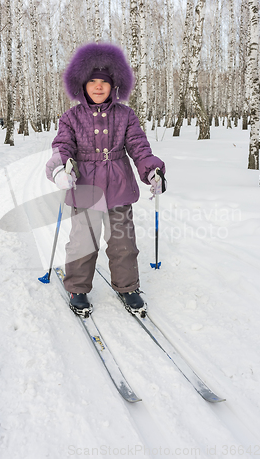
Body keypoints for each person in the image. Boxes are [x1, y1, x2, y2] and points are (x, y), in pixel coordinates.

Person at [46, 42, 165, 317]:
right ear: (82, 85)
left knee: (123, 241)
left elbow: (139, 147)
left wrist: (151, 171)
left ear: (115, 86)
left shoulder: (125, 115)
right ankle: (77, 286)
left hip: (119, 187)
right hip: (85, 188)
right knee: (82, 241)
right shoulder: (71, 117)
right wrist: (60, 169)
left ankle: (128, 287)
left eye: (104, 82)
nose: (98, 87)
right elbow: (62, 146)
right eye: (92, 82)